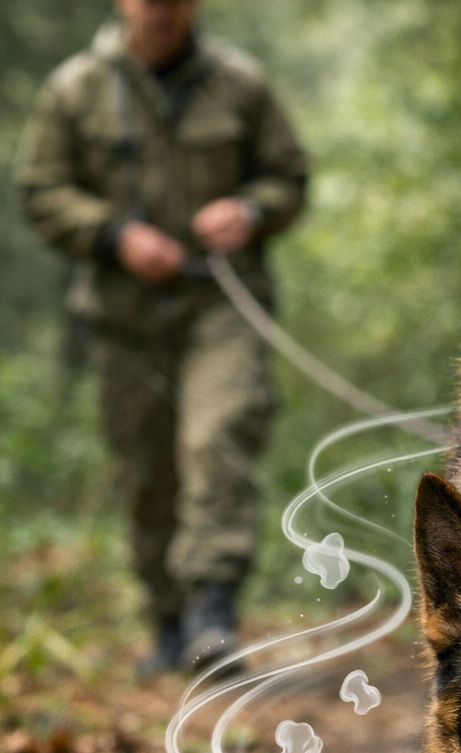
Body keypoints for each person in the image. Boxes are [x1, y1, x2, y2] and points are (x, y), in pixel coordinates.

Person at [17, 0, 308, 675]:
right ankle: (169, 623)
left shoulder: (242, 84)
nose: (162, 13)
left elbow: (290, 178)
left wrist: (250, 209)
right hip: (123, 316)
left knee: (216, 434)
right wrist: (113, 234)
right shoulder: (74, 89)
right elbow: (40, 189)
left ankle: (214, 608)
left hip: (222, 305)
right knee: (147, 472)